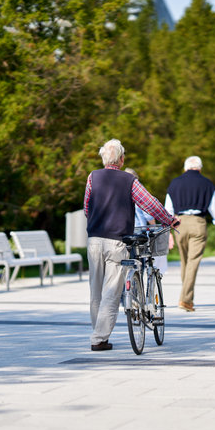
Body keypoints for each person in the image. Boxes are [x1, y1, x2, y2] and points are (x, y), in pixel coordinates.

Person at [84, 139, 179, 351]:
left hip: (94, 239)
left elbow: (86, 208)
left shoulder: (93, 177)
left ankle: (98, 335)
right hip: (116, 241)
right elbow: (150, 203)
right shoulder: (128, 180)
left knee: (95, 290)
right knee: (111, 292)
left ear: (103, 158)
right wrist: (169, 219)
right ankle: (98, 338)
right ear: (122, 159)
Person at [165, 156, 215, 312]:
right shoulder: (207, 184)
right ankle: (185, 300)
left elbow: (168, 209)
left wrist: (169, 232)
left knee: (185, 262)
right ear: (200, 168)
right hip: (198, 223)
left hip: (179, 223)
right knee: (193, 262)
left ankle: (187, 298)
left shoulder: (175, 183)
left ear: (185, 168)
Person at [125, 167, 170, 275]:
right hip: (138, 230)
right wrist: (154, 227)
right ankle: (137, 284)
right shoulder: (138, 191)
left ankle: (128, 283)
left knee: (126, 259)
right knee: (139, 259)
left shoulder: (117, 190)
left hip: (122, 230)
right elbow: (148, 214)